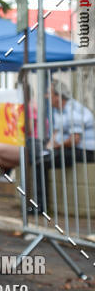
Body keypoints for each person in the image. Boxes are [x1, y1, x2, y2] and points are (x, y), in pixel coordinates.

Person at [31, 82, 95, 213]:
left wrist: (55, 146)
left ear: (58, 96)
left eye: (49, 93)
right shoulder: (57, 109)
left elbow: (75, 140)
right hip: (67, 148)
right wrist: (48, 147)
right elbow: (56, 133)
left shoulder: (73, 110)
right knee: (37, 151)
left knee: (41, 163)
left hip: (84, 151)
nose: (46, 96)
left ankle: (40, 207)